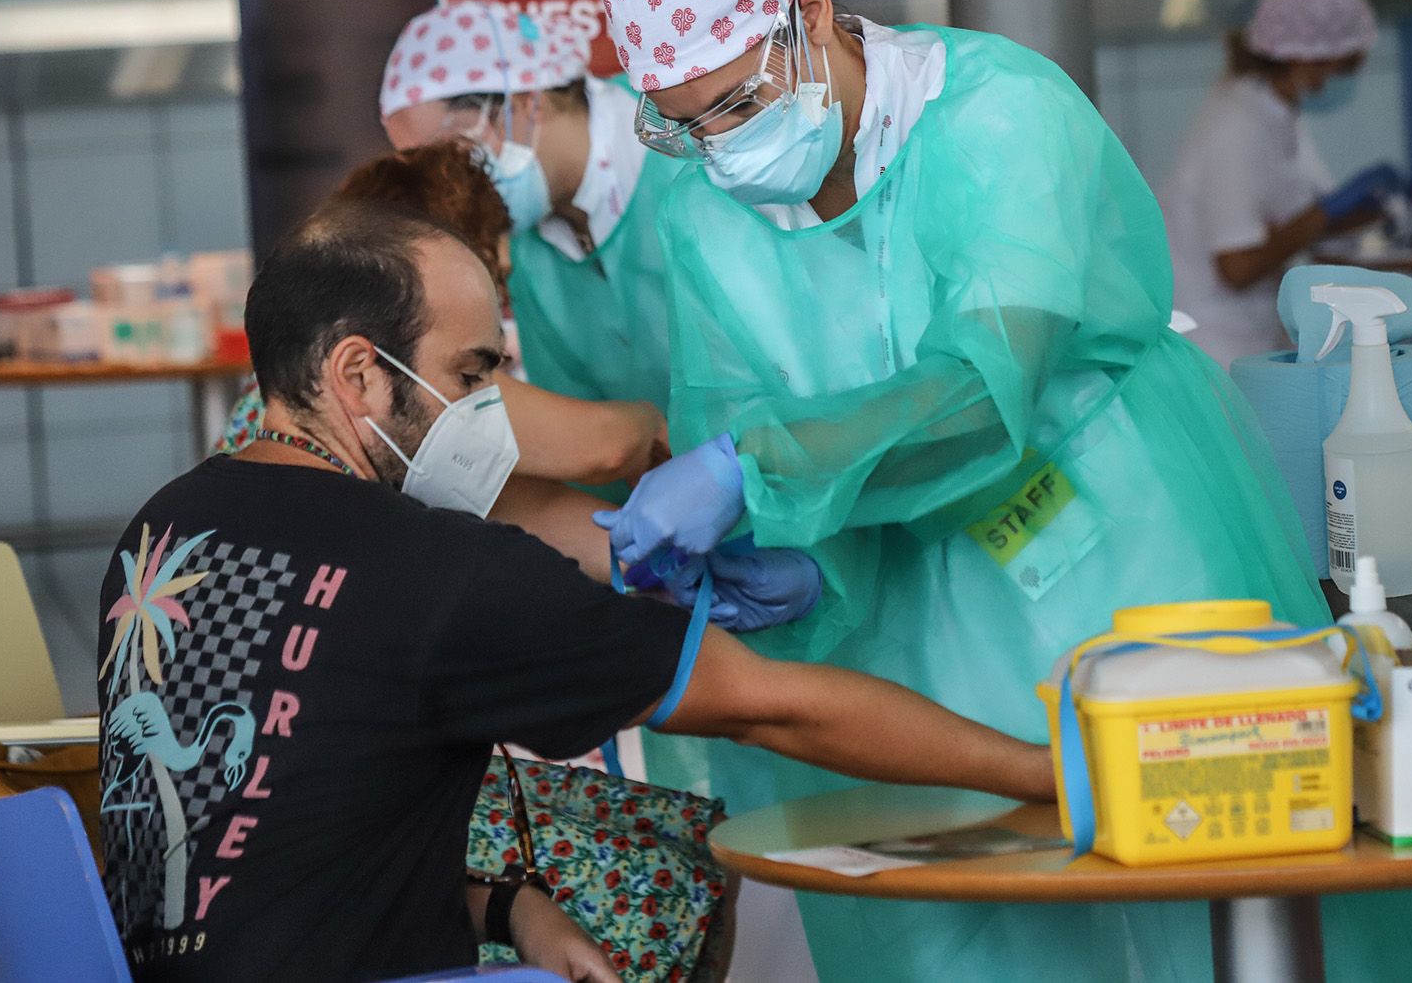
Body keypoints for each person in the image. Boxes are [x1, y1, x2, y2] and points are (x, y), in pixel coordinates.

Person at [591, 0, 1412, 981]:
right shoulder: (705, 204)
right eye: (685, 124)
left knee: (1190, 867)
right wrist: (813, 557)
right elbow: (748, 398)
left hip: (1118, 534)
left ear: (806, 15)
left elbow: (976, 388)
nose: (720, 150)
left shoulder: (998, 114)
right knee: (964, 910)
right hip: (906, 606)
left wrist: (751, 468)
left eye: (737, 107)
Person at [98, 198, 1055, 983]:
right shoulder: (433, 572)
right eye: (471, 374)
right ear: (358, 372)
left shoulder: (164, 532)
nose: (486, 410)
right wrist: (1045, 773)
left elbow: (272, 845)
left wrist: (509, 904)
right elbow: (776, 708)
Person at [215, 141, 667, 516]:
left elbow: (518, 506)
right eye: (492, 276)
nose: (504, 300)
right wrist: (654, 421)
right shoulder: (426, 384)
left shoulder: (297, 385)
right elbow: (605, 448)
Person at [382, 0, 684, 416]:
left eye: (451, 158)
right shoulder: (527, 251)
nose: (446, 188)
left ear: (522, 104)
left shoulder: (682, 148)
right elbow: (582, 432)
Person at [1159, 0, 1404, 367]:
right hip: (1215, 344)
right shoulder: (1236, 126)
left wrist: (1372, 208)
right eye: (1339, 67)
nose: (1338, 82)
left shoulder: (1277, 118)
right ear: (1305, 58)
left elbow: (1292, 216)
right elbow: (1236, 266)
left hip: (1253, 334)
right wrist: (1320, 218)